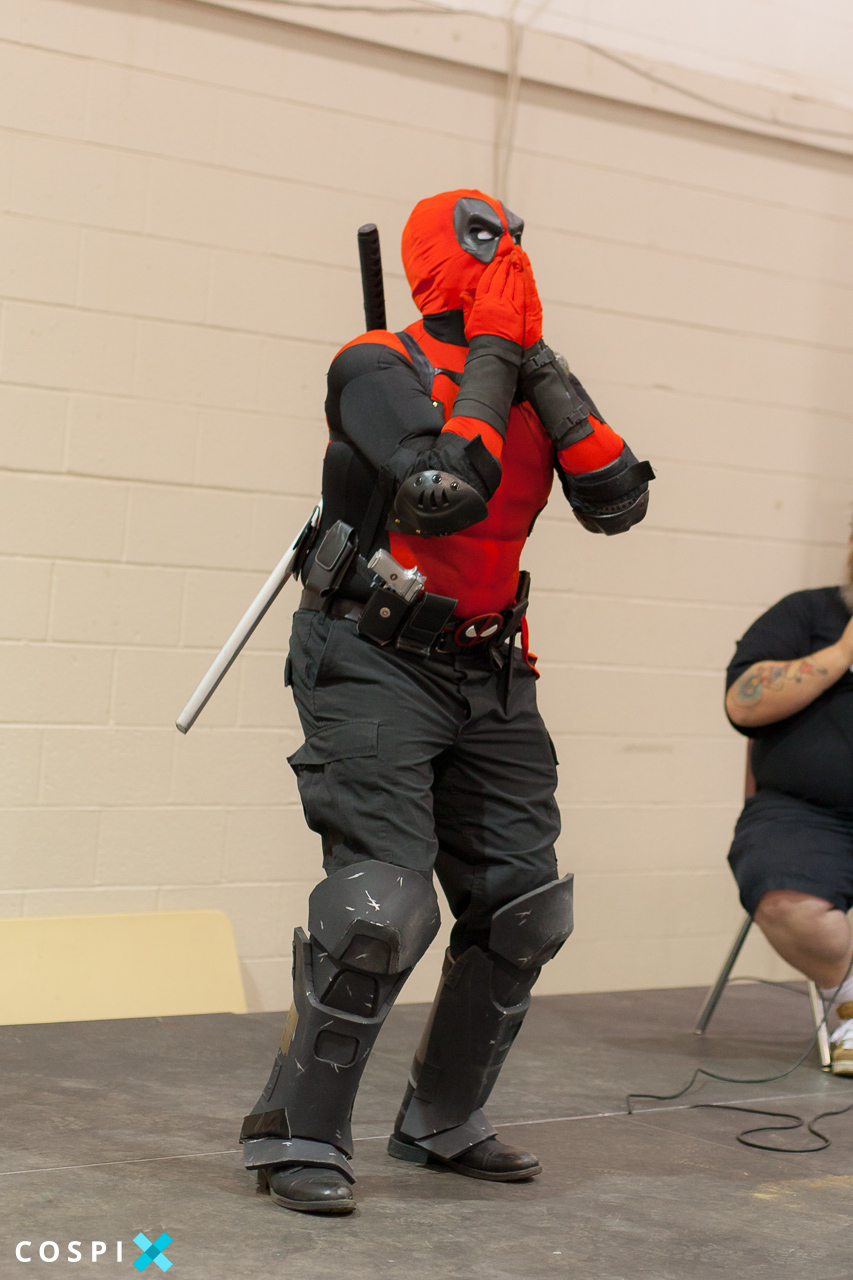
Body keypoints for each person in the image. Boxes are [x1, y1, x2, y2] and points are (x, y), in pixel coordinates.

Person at [239, 188, 654, 1214]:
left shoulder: (528, 374)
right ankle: (297, 1130)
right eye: (484, 243)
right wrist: (497, 356)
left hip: (488, 663)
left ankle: (441, 1116)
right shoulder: (373, 363)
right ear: (437, 257)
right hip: (372, 653)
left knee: (523, 903)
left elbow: (617, 500)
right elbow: (440, 491)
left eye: (514, 242)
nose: (505, 258)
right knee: (379, 905)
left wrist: (533, 364)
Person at [725, 537, 853, 1075]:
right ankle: (847, 1005)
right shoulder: (806, 614)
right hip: (804, 813)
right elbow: (742, 702)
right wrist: (843, 653)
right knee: (787, 901)